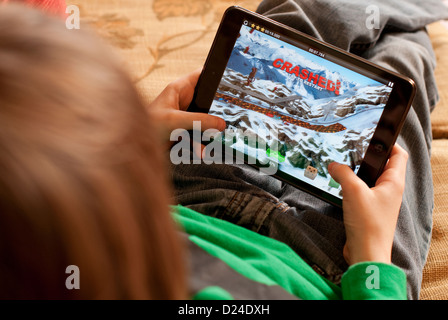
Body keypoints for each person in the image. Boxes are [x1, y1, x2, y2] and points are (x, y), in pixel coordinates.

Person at [0, 1, 446, 300]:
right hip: (340, 260)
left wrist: (137, 149)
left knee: (289, 25)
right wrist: (372, 258)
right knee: (402, 65)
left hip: (181, 202)